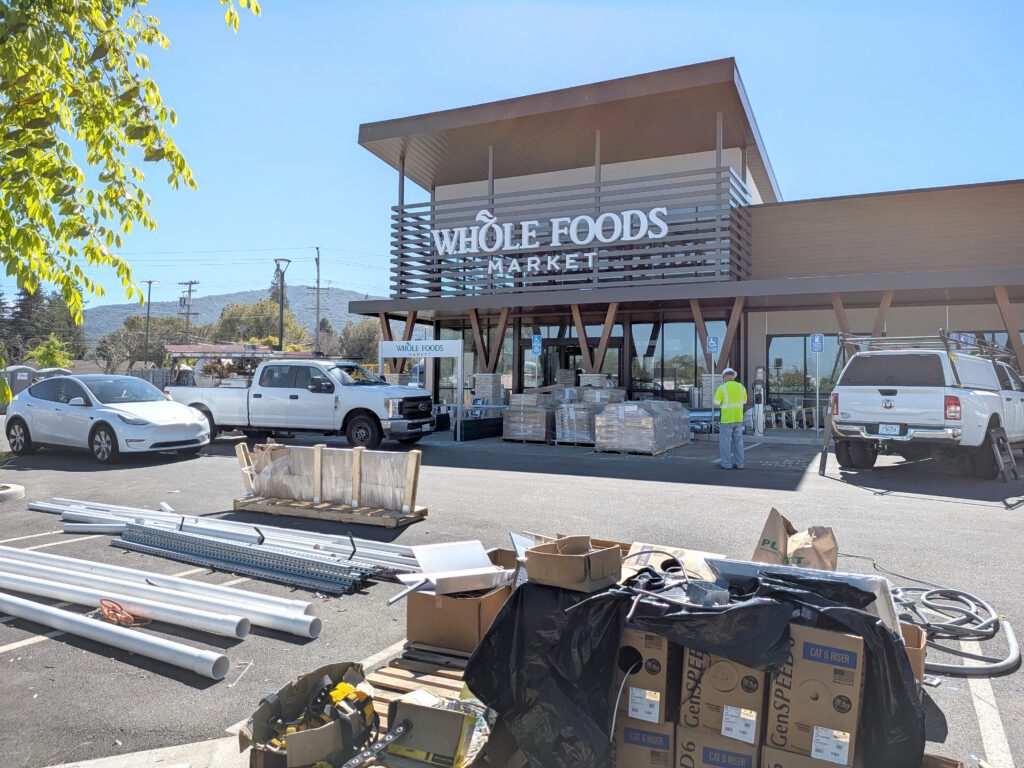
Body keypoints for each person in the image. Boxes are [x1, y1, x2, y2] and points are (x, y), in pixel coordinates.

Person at [714, 367, 748, 469]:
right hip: (738, 418)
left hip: (726, 419)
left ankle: (726, 464)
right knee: (739, 442)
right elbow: (744, 401)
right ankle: (739, 464)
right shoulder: (741, 387)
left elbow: (716, 402)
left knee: (725, 443)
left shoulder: (722, 387)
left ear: (724, 376)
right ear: (733, 376)